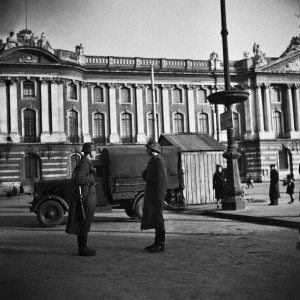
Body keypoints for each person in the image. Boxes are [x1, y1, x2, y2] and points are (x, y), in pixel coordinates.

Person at [66, 142, 97, 256]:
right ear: (90, 152)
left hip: (87, 195)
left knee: (85, 221)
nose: (95, 152)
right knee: (84, 221)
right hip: (85, 197)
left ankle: (83, 247)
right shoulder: (85, 163)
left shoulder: (87, 162)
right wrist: (93, 177)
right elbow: (79, 179)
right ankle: (82, 248)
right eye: (94, 150)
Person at [141, 141, 168, 253]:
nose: (146, 150)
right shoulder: (153, 161)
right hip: (152, 194)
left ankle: (161, 244)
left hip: (156, 195)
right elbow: (146, 175)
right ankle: (156, 242)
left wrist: (159, 197)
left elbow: (163, 181)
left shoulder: (159, 161)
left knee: (158, 219)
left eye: (148, 148)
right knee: (155, 218)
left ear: (153, 149)